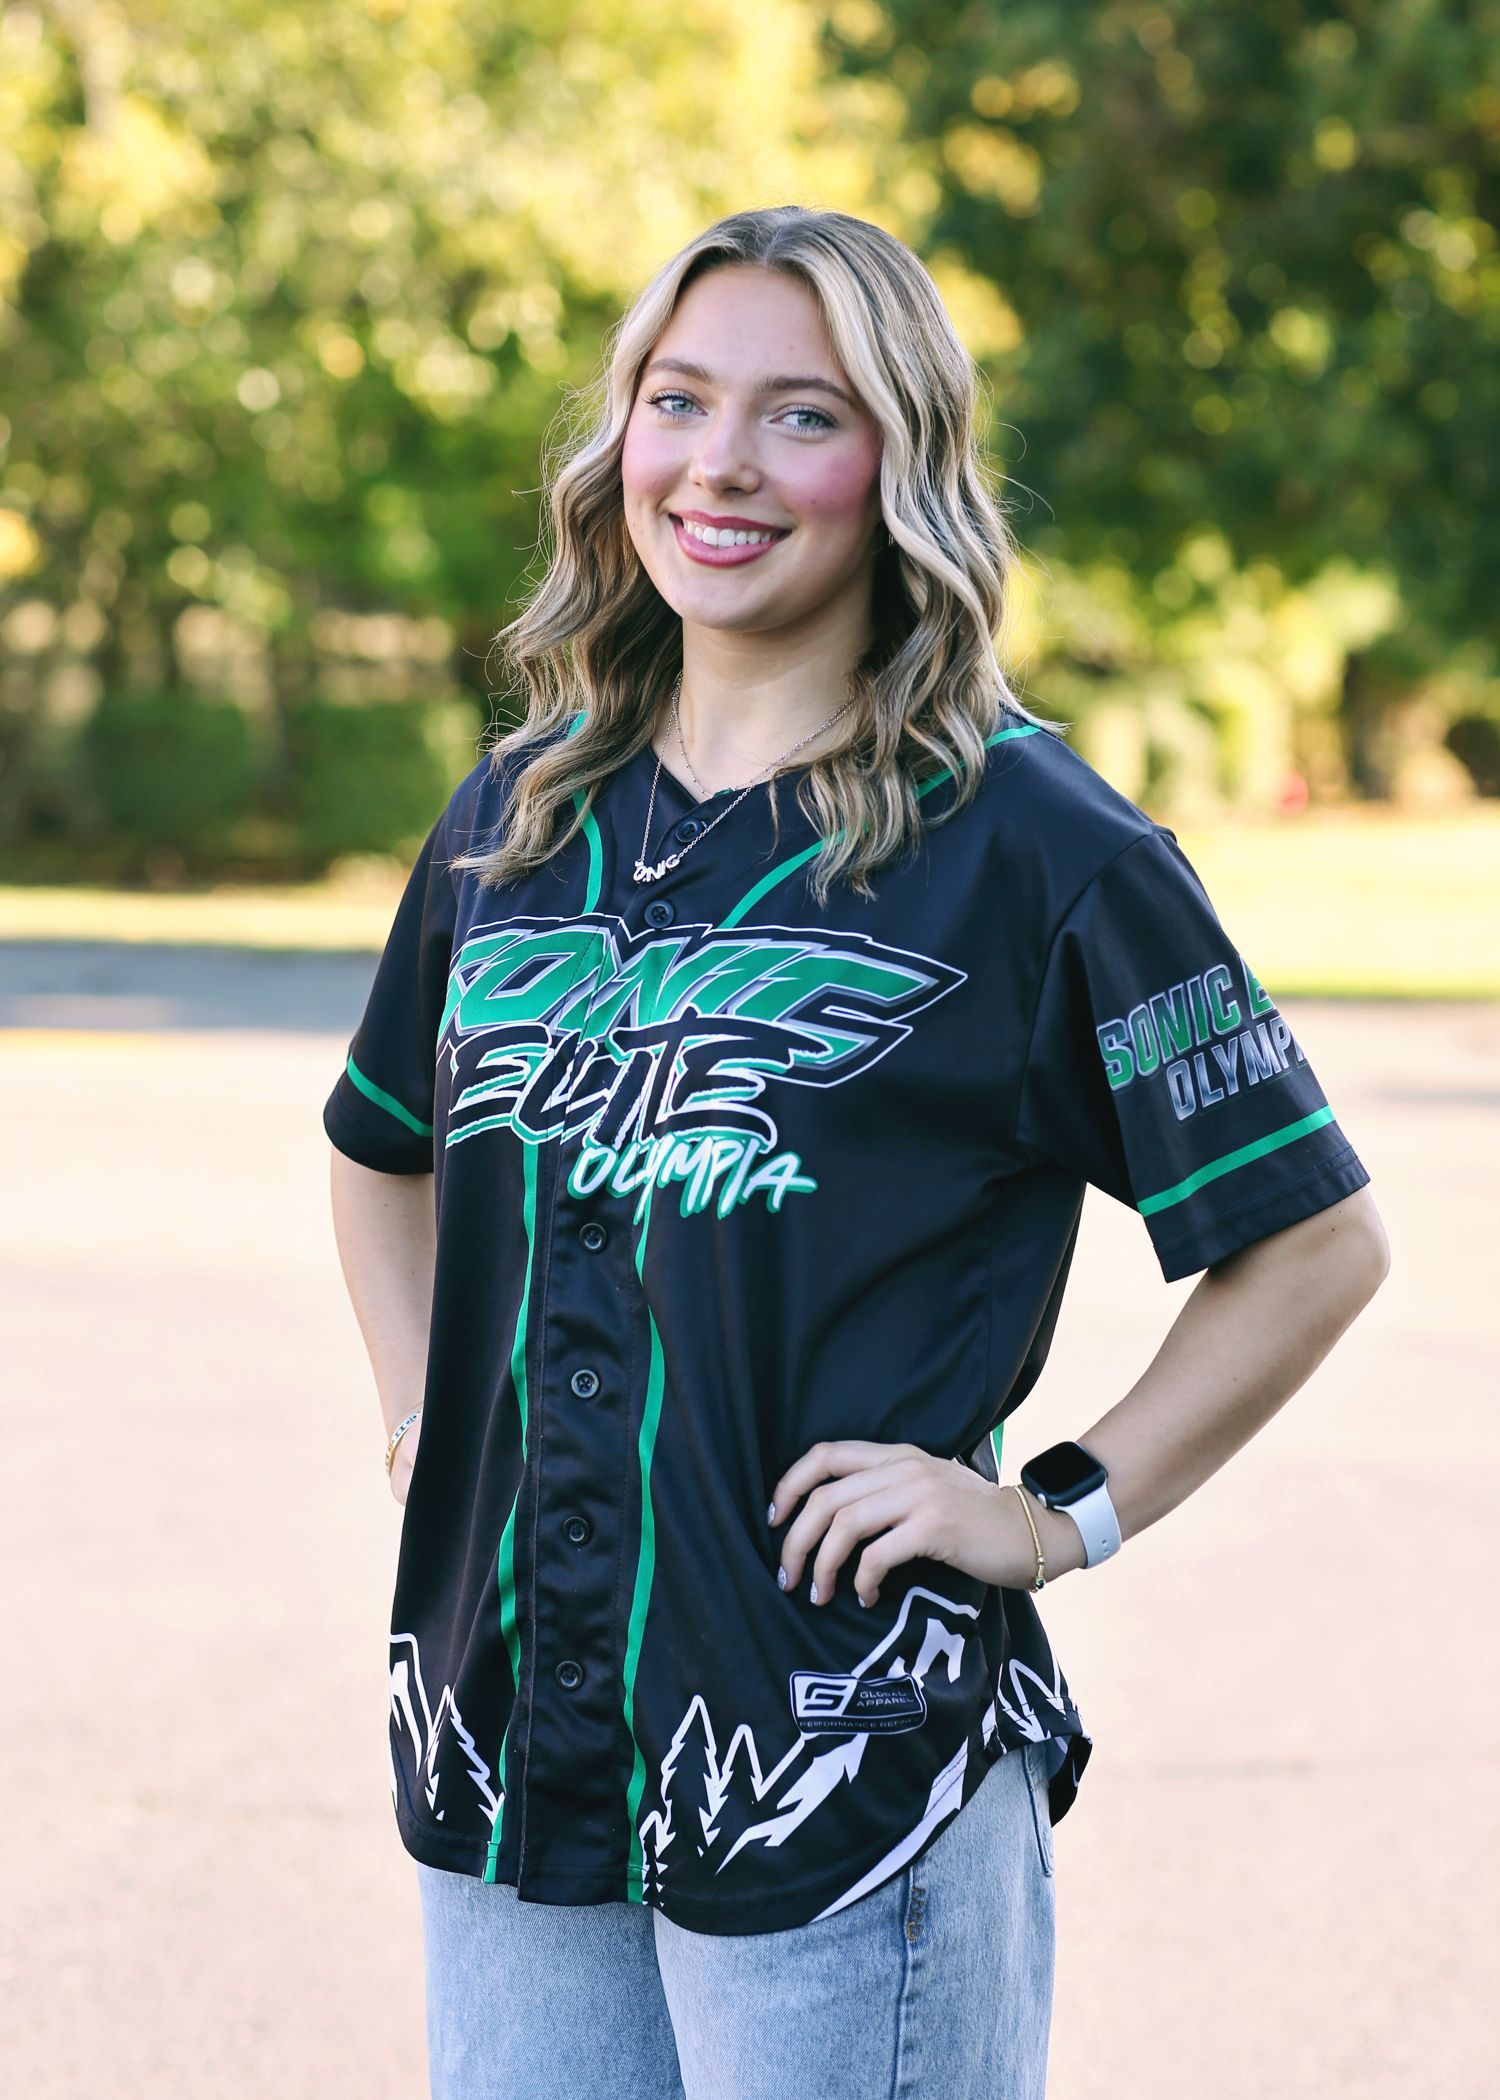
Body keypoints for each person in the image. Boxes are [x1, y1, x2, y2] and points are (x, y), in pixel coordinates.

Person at [325, 205, 1390, 2100]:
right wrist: (431, 1429)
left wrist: (1059, 1512)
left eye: (799, 416)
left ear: (902, 464)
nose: (720, 466)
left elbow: (1310, 1245)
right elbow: (380, 1147)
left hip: (833, 1767)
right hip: (510, 1741)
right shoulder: (519, 811)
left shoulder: (1039, 845)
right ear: (618, 443)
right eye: (678, 401)